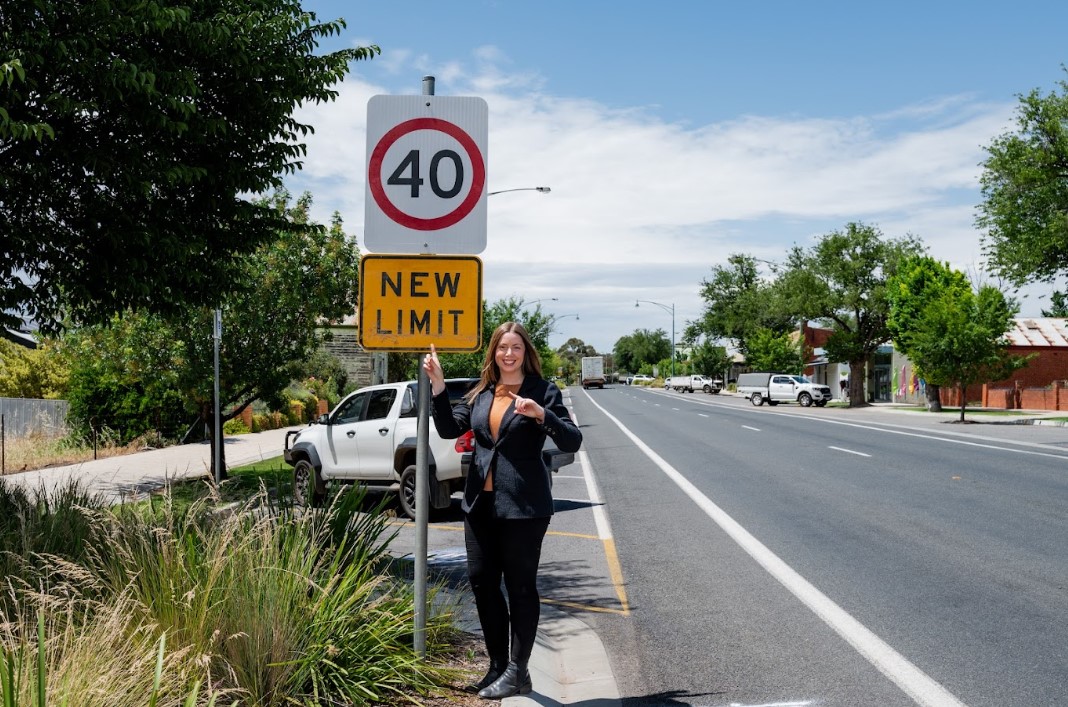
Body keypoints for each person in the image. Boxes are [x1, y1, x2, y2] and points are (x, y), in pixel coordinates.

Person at [422, 322, 583, 699]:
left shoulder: (542, 391)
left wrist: (542, 414)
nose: (508, 354)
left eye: (515, 348)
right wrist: (439, 385)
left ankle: (518, 669)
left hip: (525, 506)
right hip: (481, 504)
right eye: (501, 348)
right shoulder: (482, 392)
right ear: (493, 353)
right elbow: (448, 429)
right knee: (481, 583)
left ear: (526, 353)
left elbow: (573, 439)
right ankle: (497, 666)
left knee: (521, 587)